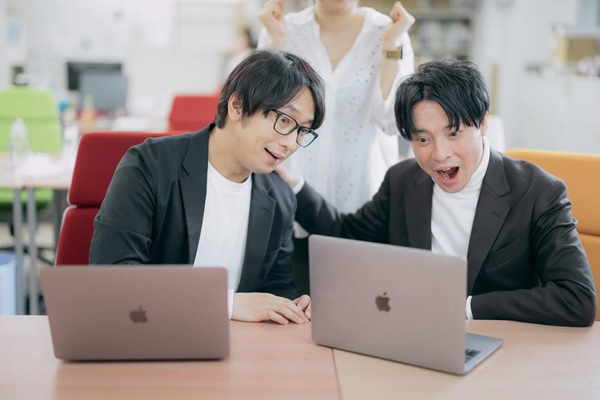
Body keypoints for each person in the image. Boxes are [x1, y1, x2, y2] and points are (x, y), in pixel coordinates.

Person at [283, 59, 597, 327]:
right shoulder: (402, 181)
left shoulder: (538, 192)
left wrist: (465, 308)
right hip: (416, 336)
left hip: (504, 347)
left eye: (454, 133)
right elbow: (347, 233)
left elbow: (577, 298)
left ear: (482, 123)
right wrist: (293, 184)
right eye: (423, 139)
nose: (439, 154)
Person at [89, 49, 325, 325]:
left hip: (237, 344)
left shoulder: (281, 198)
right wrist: (226, 303)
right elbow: (113, 276)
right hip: (150, 332)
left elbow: (276, 285)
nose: (291, 144)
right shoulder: (149, 166)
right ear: (237, 106)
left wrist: (290, 308)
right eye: (284, 120)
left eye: (303, 131)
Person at [258, 0, 415, 294]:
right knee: (295, 306)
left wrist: (391, 45)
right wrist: (276, 42)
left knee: (359, 307)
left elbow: (393, 122)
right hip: (293, 197)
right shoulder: (282, 28)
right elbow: (263, 115)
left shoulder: (390, 31)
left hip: (361, 201)